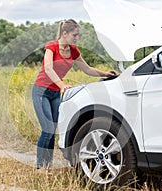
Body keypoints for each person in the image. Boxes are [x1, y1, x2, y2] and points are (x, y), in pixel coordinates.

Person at [32, 19, 117, 174]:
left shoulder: (73, 51)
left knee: (53, 129)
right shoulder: (51, 47)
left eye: (78, 35)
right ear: (65, 33)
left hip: (54, 93)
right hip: (41, 91)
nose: (77, 38)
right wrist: (62, 85)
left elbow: (87, 69)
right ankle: (40, 167)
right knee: (47, 129)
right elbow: (49, 69)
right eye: (75, 35)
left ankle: (47, 166)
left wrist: (105, 73)